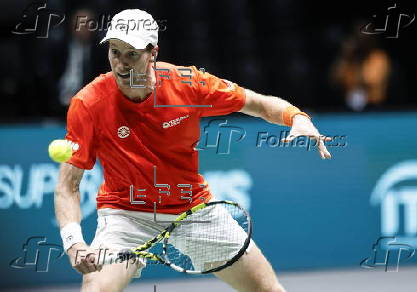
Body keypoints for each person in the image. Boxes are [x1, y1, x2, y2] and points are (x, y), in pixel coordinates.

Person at [54, 9, 331, 292]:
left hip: (192, 209)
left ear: (153, 53)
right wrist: (73, 241)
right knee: (96, 289)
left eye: (132, 54)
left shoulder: (188, 84)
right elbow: (68, 185)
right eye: (115, 52)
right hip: (126, 215)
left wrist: (296, 117)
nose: (121, 65)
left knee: (267, 289)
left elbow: (257, 104)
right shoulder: (89, 103)